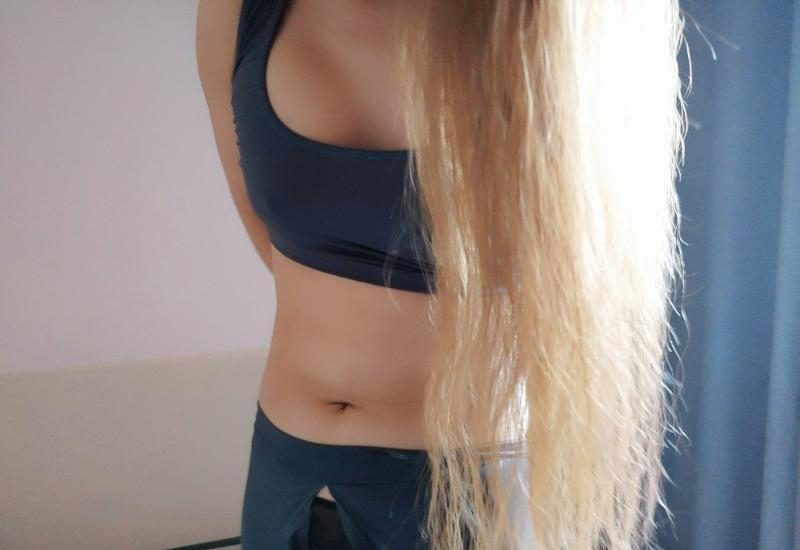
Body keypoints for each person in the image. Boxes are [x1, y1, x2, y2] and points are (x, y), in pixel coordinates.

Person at [196, 1, 689, 549]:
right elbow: (268, 232)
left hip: (478, 485)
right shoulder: (236, 11)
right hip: (294, 467)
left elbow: (594, 269)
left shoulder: (579, 19)